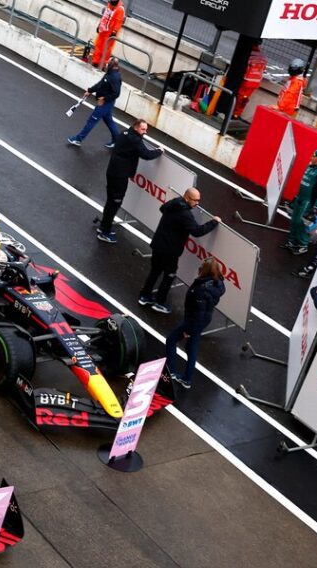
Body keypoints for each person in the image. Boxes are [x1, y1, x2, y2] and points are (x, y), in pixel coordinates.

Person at [137, 188, 220, 314]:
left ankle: (144, 296)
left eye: (199, 200)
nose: (197, 203)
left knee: (155, 271)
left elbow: (162, 208)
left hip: (158, 244)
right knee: (169, 276)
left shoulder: (173, 203)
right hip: (170, 251)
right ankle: (159, 302)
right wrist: (214, 222)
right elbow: (197, 231)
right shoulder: (185, 214)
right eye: (195, 200)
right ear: (187, 198)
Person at [96, 119, 163, 244]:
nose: (145, 132)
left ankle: (104, 226)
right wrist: (159, 151)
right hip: (120, 176)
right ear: (136, 127)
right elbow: (146, 154)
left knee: (110, 201)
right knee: (114, 203)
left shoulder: (125, 133)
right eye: (143, 129)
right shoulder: (135, 139)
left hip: (112, 172)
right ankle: (104, 231)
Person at [164, 258, 225, 389]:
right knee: (191, 348)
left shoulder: (201, 289)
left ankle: (172, 371)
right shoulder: (217, 285)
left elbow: (197, 312)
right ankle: (187, 379)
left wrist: (189, 329)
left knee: (171, 340)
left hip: (193, 321)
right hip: (204, 320)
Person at [281, 149, 317, 255]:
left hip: (308, 202)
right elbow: (304, 184)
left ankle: (303, 245)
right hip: (300, 198)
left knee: (301, 223)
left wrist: (315, 207)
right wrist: (296, 196)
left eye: (314, 155)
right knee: (294, 221)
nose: (311, 157)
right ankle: (292, 242)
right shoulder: (310, 167)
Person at [67, 58, 122, 148]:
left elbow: (116, 93)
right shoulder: (110, 74)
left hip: (104, 103)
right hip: (106, 103)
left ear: (112, 65)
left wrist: (104, 98)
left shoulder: (114, 77)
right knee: (109, 120)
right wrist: (90, 91)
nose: (106, 64)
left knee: (91, 121)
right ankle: (117, 140)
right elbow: (101, 84)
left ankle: (78, 139)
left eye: (108, 63)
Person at [232, 42, 267, 119]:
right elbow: (263, 69)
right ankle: (237, 114)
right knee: (244, 99)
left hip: (246, 81)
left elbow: (243, 67)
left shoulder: (248, 54)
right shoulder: (262, 56)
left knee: (239, 98)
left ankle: (234, 113)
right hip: (255, 82)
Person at [91, 0, 125, 69]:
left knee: (106, 49)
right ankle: (95, 61)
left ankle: (103, 64)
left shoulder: (120, 9)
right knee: (98, 45)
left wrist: (114, 32)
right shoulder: (109, 4)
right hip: (103, 30)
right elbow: (104, 16)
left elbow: (118, 22)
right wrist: (99, 25)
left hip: (110, 32)